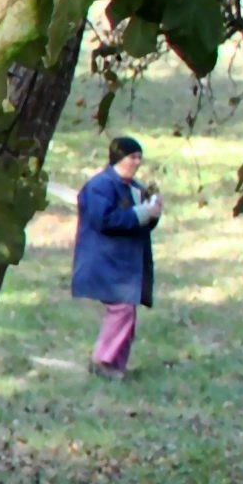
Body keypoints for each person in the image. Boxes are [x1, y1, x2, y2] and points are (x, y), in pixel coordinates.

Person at [74, 133, 161, 375]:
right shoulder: (99, 186)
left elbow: (142, 224)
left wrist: (153, 213)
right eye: (132, 157)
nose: (137, 162)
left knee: (127, 312)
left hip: (125, 264)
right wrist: (142, 213)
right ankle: (102, 361)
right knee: (122, 310)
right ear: (118, 158)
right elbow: (104, 220)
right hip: (104, 261)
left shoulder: (135, 188)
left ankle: (115, 367)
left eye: (139, 157)